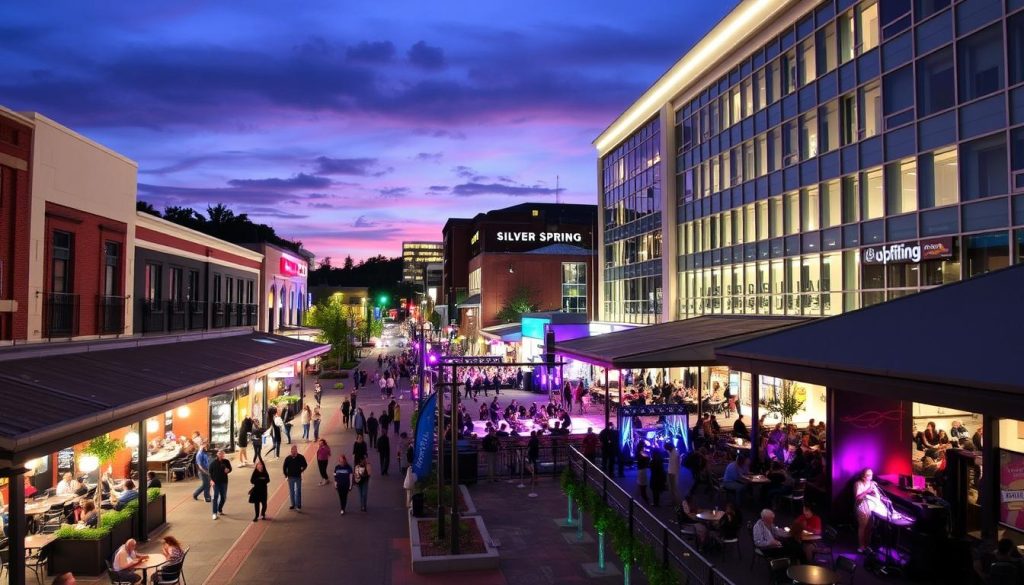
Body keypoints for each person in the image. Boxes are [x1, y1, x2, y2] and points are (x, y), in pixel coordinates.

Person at [854, 467, 887, 553]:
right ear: (863, 476)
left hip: (872, 508)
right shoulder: (858, 484)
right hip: (862, 507)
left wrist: (876, 494)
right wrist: (867, 491)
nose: (870, 477)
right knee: (863, 527)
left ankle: (867, 545)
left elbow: (878, 496)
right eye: (868, 475)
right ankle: (861, 546)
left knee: (869, 528)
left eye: (871, 474)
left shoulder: (873, 483)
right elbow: (857, 498)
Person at [283, 444, 308, 510]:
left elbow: (305, 465)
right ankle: (293, 504)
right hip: (290, 477)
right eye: (292, 451)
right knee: (291, 491)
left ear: (296, 451)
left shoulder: (301, 457)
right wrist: (286, 476)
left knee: (298, 491)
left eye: (294, 451)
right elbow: (284, 467)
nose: (293, 452)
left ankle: (298, 504)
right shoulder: (288, 458)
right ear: (291, 451)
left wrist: (302, 470)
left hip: (298, 477)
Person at [209, 449, 233, 520]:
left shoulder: (226, 462)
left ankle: (220, 509)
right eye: (219, 453)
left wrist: (228, 470)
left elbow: (230, 469)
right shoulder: (213, 463)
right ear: (217, 454)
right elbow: (210, 472)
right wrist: (211, 480)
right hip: (215, 483)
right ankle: (214, 513)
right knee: (215, 497)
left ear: (224, 455)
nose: (221, 455)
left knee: (223, 497)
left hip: (224, 482)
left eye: (222, 454)